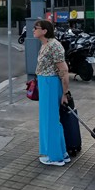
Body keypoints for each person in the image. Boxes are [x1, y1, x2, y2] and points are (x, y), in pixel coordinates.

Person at [33, 19, 71, 166]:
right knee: (50, 119)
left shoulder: (54, 45)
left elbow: (64, 70)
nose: (33, 30)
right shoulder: (45, 45)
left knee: (50, 120)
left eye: (36, 28)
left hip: (50, 84)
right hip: (45, 83)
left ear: (44, 31)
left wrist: (65, 93)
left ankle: (55, 157)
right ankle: (62, 152)